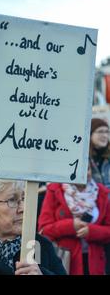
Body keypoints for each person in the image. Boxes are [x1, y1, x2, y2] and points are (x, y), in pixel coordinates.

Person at [38, 165, 110, 275]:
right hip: (64, 262)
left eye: (88, 169)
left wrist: (92, 231)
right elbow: (44, 230)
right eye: (80, 169)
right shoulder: (55, 190)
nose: (85, 173)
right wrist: (71, 226)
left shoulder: (102, 192)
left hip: (95, 265)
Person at [88, 117, 110, 274]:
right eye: (100, 131)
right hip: (94, 217)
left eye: (107, 131)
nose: (105, 135)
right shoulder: (84, 160)